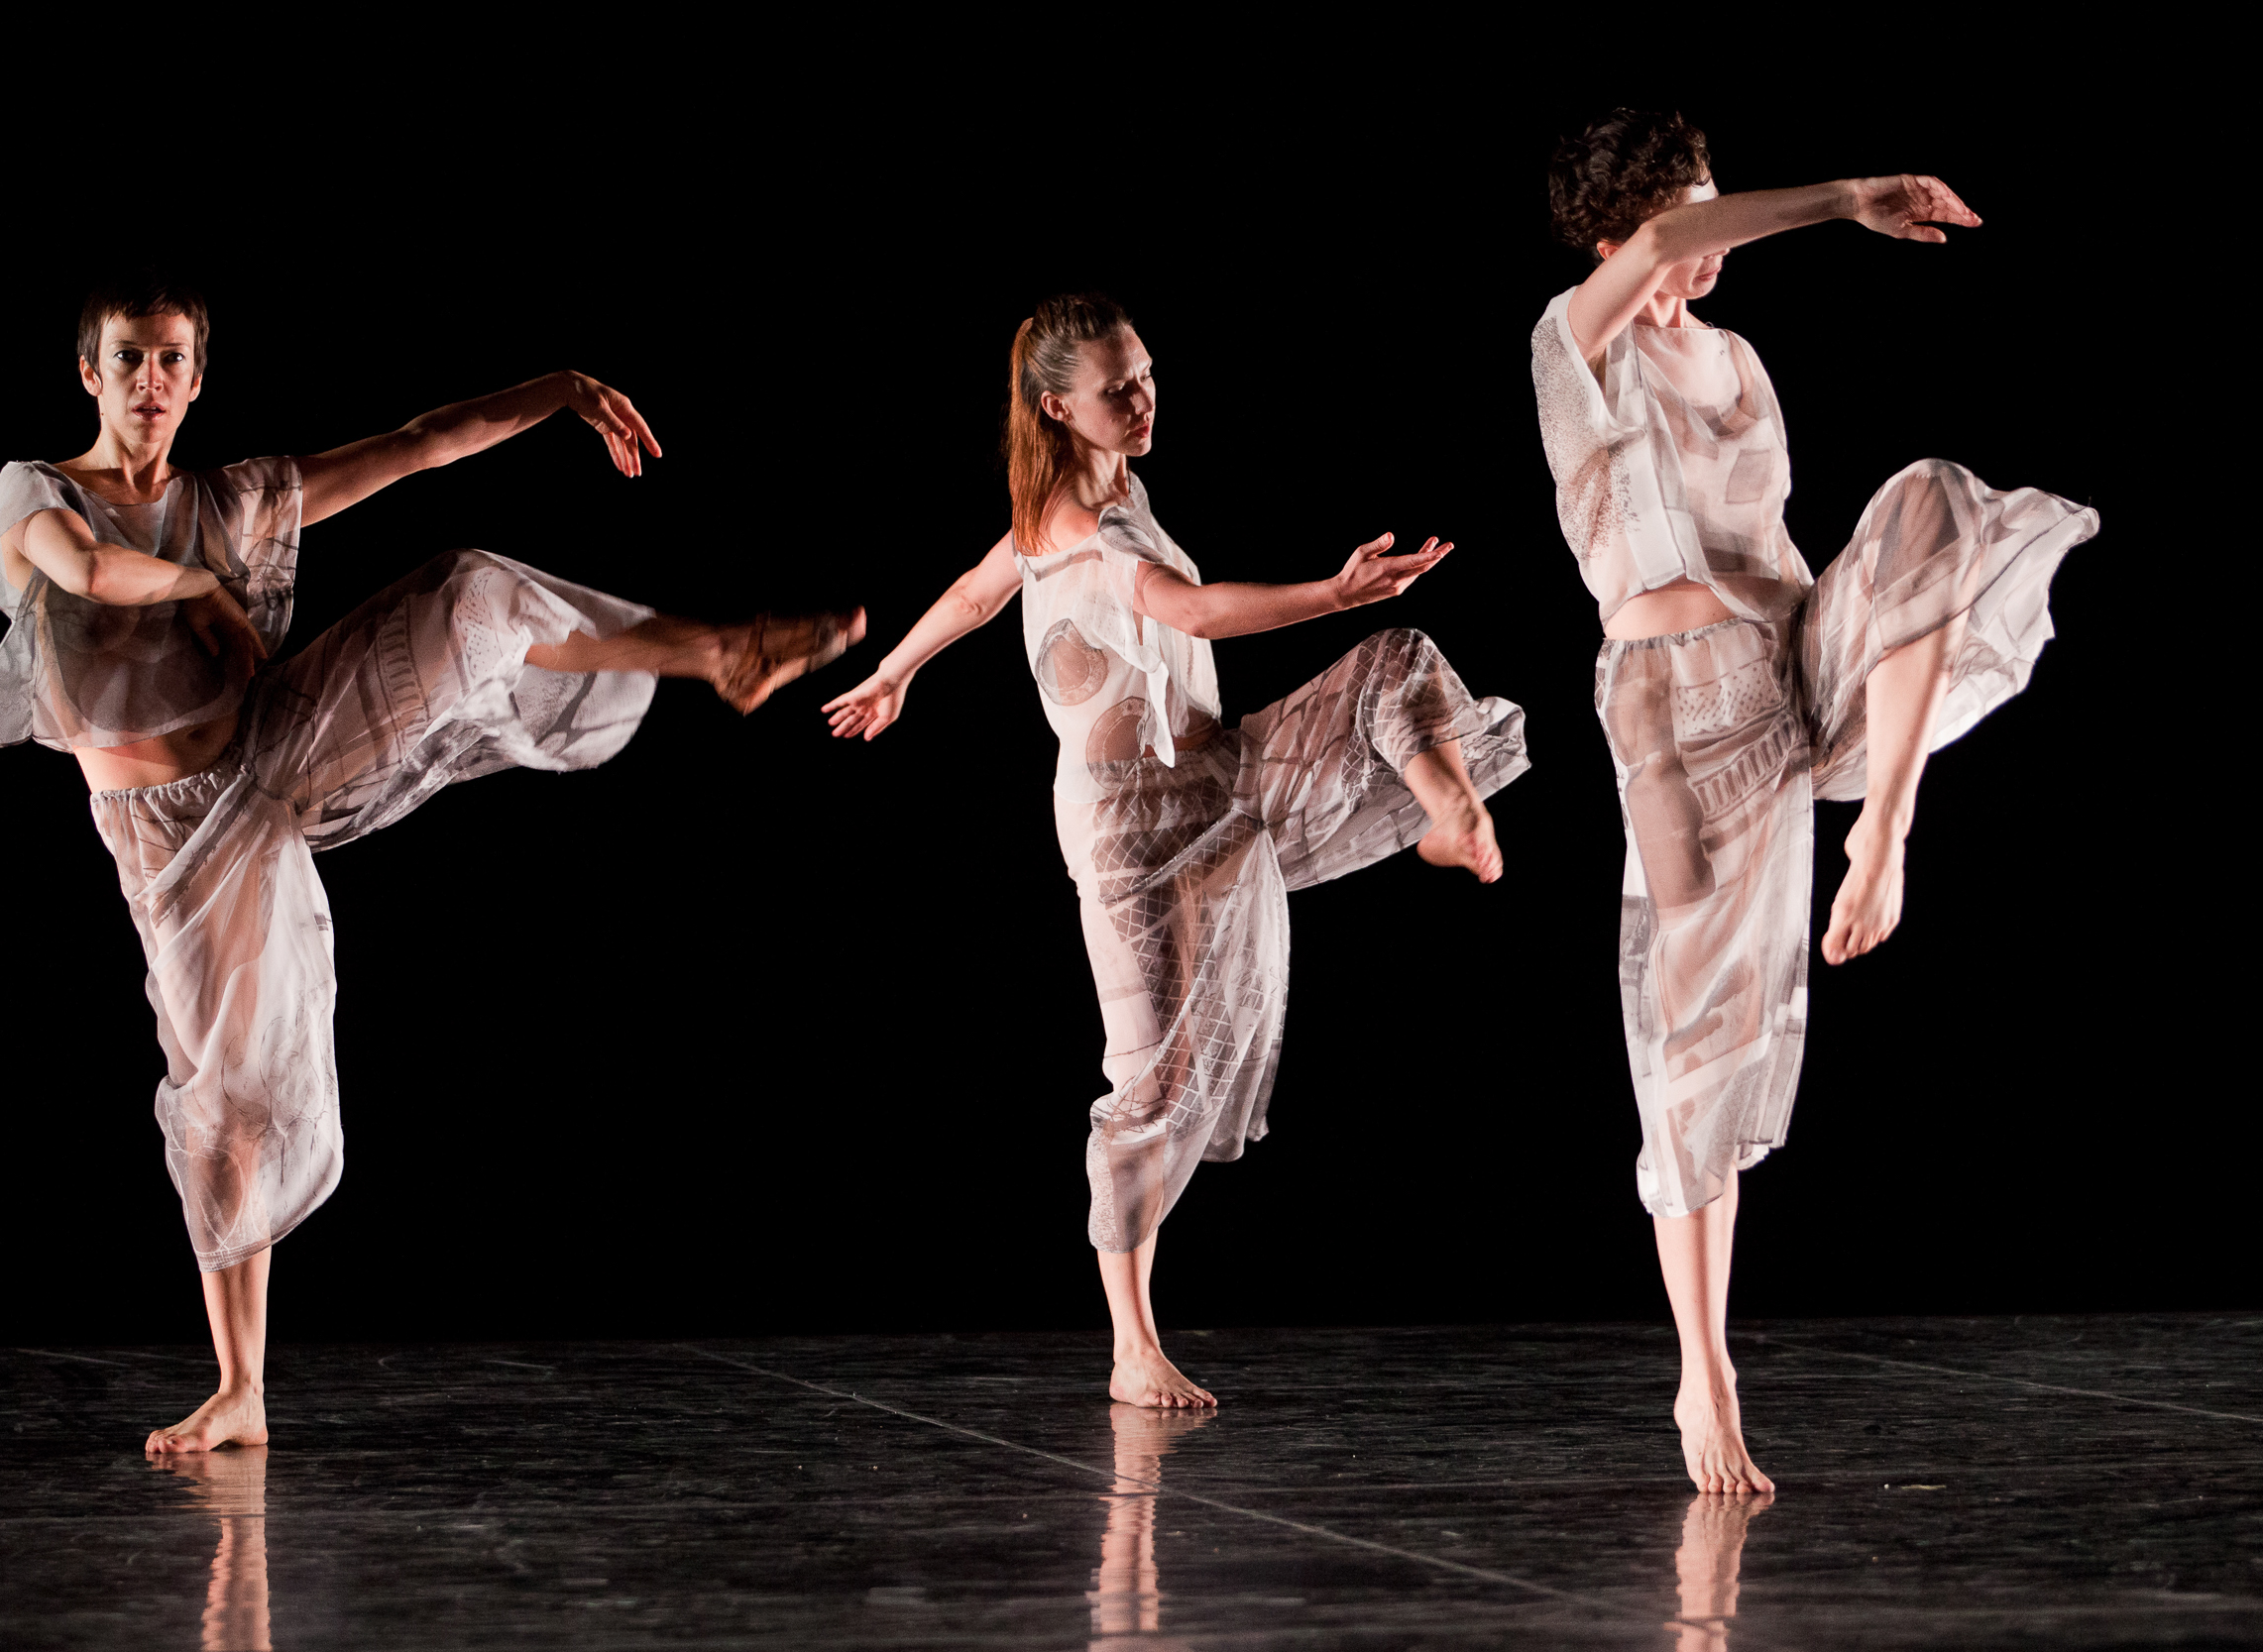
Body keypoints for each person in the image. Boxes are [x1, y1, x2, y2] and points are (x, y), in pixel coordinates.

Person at [0, 273, 862, 1454]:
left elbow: (414, 446)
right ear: (91, 370)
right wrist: (194, 584)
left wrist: (555, 389)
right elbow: (84, 571)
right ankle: (239, 1386)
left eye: (173, 360)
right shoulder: (37, 491)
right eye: (131, 358)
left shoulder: (235, 498)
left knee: (470, 590)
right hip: (171, 834)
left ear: (198, 377)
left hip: (271, 746)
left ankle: (715, 652)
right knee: (232, 1096)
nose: (152, 381)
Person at [1532, 110, 2098, 1491]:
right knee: (1697, 1047)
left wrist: (1851, 719)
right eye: (1693, 217)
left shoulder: (1738, 357)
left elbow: (1776, 540)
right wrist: (1849, 197)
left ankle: (1885, 827)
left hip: (1788, 677)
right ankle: (1704, 1373)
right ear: (1616, 237)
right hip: (1673, 710)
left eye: (1723, 211)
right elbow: (1670, 240)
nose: (1714, 242)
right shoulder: (1571, 339)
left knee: (1933, 504)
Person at [825, 294, 1527, 1407]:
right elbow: (1190, 614)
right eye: (1117, 389)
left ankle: (1452, 815)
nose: (1143, 398)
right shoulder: (1074, 520)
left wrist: (898, 669)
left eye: (1147, 374)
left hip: (1220, 773)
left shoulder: (1113, 490)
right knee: (1149, 1080)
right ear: (1059, 407)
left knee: (1395, 658)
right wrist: (1327, 590)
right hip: (1130, 833)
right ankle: (1131, 1344)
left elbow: (973, 588)